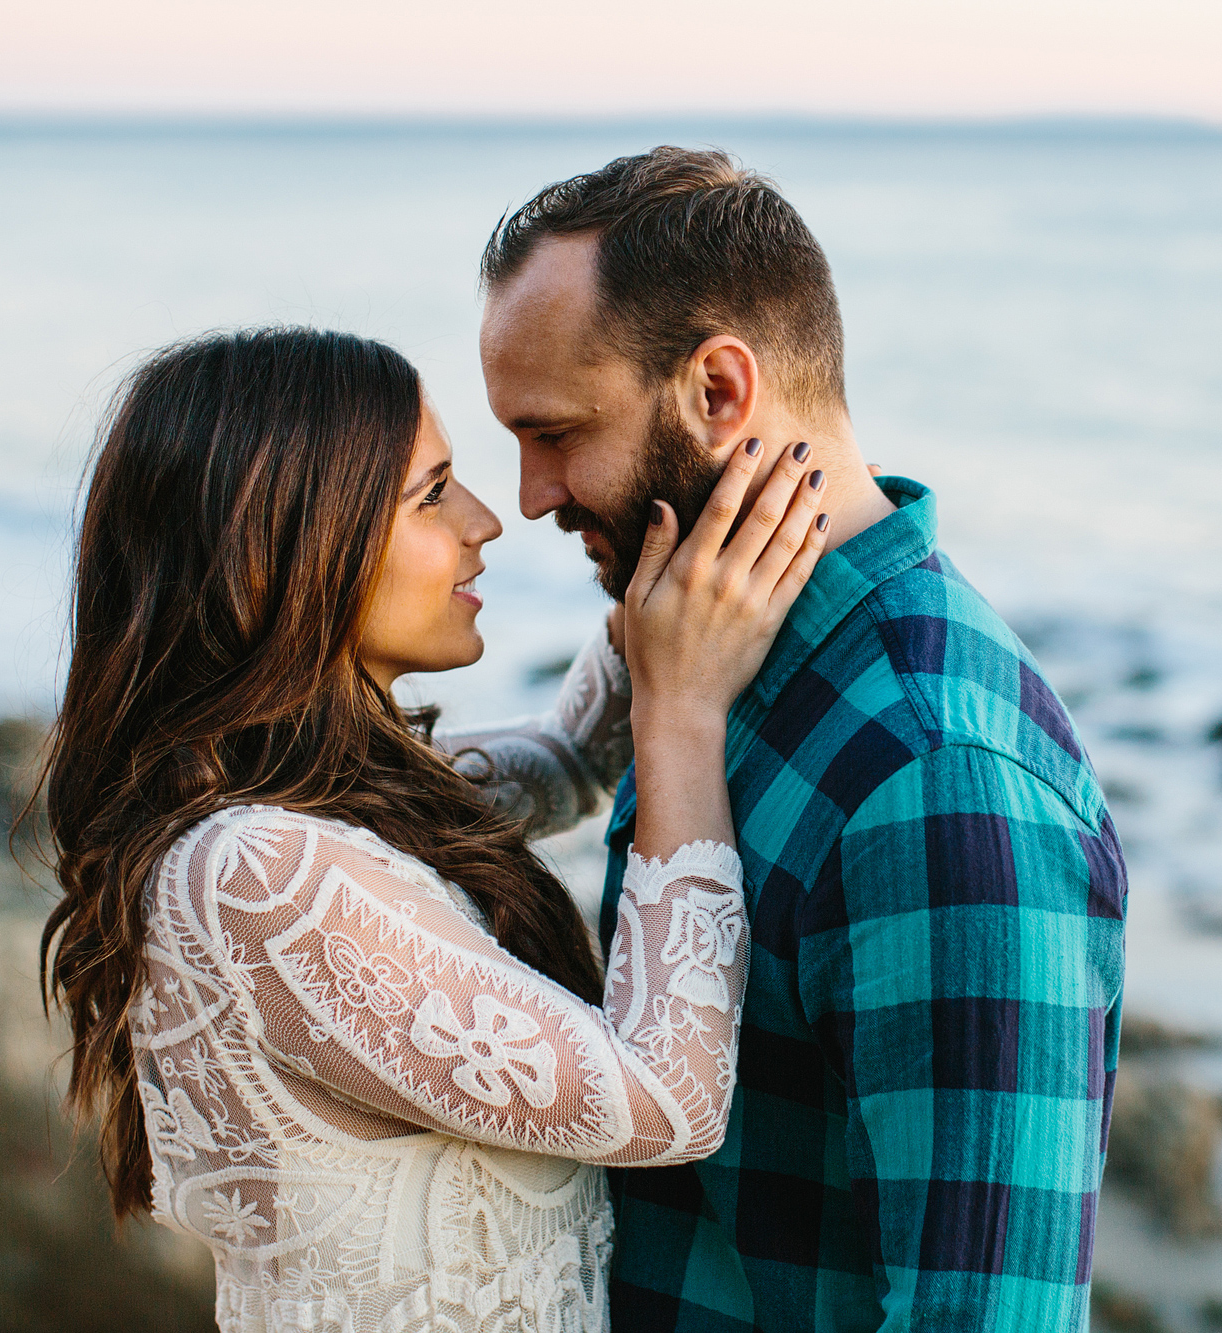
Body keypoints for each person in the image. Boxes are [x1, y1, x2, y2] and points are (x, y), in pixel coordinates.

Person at [40, 326, 831, 1332]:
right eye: (432, 492)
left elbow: (564, 761)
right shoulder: (256, 872)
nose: (486, 521)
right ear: (274, 549)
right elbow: (667, 1097)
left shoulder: (328, 798)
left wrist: (664, 572)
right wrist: (682, 710)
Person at [478, 148, 1129, 1332]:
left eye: (557, 433)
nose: (529, 496)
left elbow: (990, 1315)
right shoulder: (699, 652)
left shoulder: (935, 780)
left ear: (720, 391)